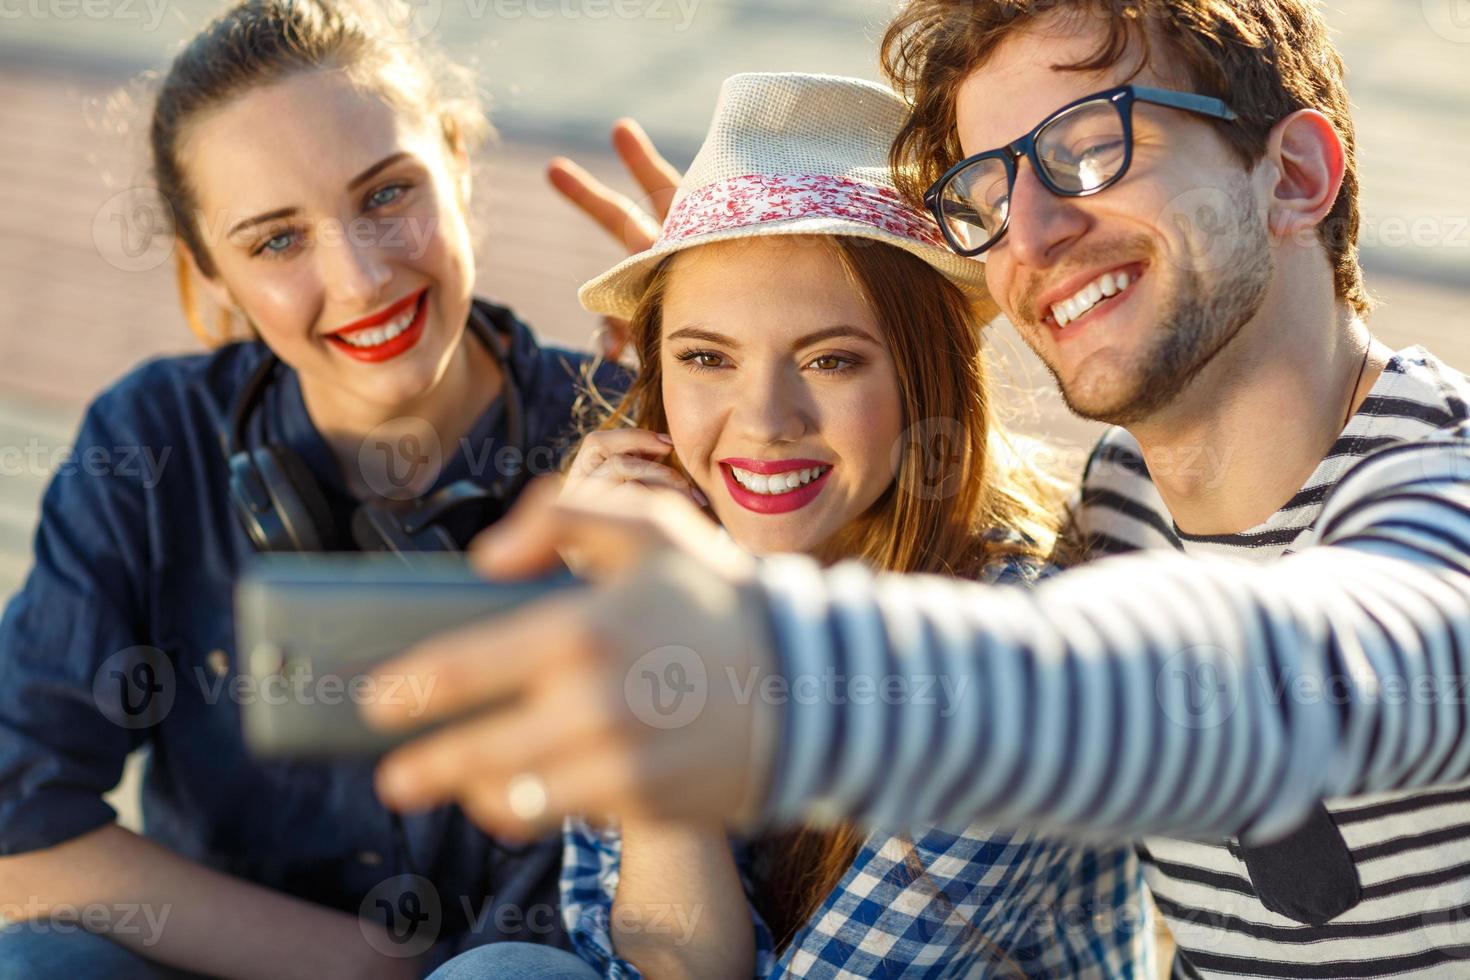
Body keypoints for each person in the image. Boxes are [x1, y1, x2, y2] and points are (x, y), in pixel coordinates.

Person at [363, 2, 1470, 978]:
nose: (1028, 236)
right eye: (988, 191)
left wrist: (761, 643)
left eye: (1092, 149)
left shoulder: (1440, 494)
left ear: (1294, 175)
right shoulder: (1125, 495)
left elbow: (1322, 655)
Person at [427, 73, 1155, 980]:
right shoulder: (664, 564)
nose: (765, 418)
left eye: (831, 359)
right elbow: (628, 949)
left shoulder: (1015, 653)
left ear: (926, 379)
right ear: (655, 380)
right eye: (706, 358)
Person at [0, 0, 623, 976]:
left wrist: (720, 347)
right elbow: (16, 828)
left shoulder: (624, 437)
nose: (363, 275)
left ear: (459, 164)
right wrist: (370, 964)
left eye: (386, 194)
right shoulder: (151, 440)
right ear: (209, 275)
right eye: (276, 241)